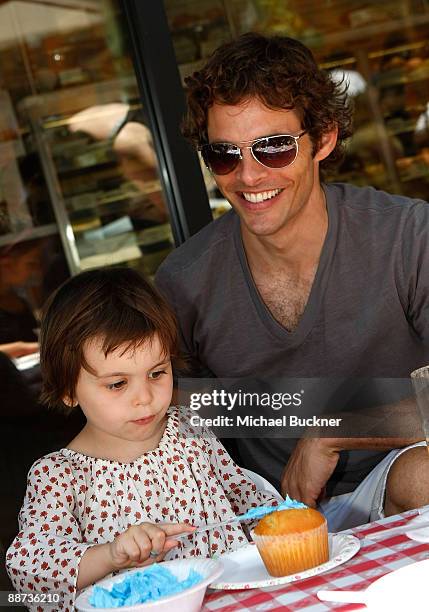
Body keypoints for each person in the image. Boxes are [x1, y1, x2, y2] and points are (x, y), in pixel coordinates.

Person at [155, 32, 429, 531]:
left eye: (274, 148)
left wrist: (331, 431)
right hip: (272, 516)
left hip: (395, 488)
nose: (248, 176)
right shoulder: (185, 282)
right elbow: (171, 421)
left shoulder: (407, 237)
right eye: (224, 155)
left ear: (322, 139)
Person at [6, 267, 280, 609]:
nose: (145, 398)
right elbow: (30, 569)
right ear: (67, 390)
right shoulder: (59, 476)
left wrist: (281, 522)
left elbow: (243, 498)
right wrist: (111, 554)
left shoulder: (189, 430)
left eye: (157, 373)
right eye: (117, 384)